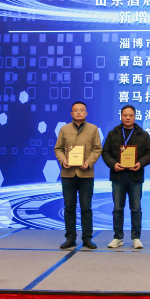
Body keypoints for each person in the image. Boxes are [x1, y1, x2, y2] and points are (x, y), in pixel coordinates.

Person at [102, 105, 150, 249]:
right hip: (117, 176)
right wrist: (113, 164)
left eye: (131, 115)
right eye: (125, 115)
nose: (128, 118)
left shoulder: (142, 134)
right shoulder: (113, 133)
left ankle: (136, 238)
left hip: (135, 177)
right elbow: (105, 153)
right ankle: (118, 237)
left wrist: (140, 163)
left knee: (136, 209)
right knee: (118, 208)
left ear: (135, 116)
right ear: (121, 116)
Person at [54, 101, 103, 250]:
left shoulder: (93, 129)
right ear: (71, 113)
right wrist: (63, 160)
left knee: (86, 207)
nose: (79, 112)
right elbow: (58, 149)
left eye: (82, 110)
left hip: (86, 174)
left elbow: (97, 149)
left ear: (86, 113)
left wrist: (89, 162)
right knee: (69, 207)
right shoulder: (64, 129)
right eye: (76, 110)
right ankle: (70, 238)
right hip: (68, 174)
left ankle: (87, 238)